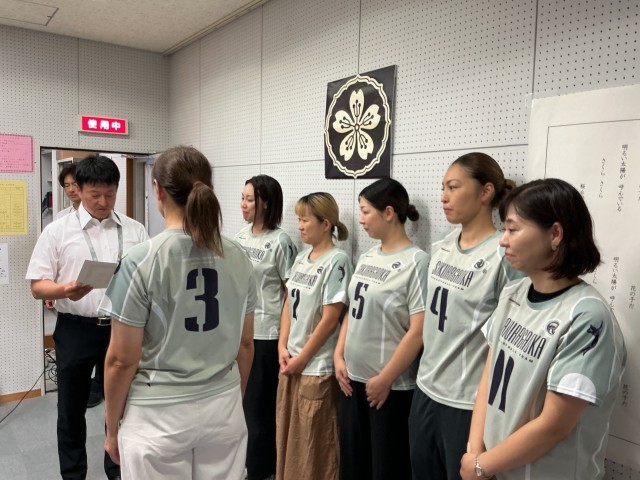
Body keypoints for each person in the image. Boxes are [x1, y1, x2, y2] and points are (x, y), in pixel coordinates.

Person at [100, 146, 256, 480]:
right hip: (224, 406)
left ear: (157, 190)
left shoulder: (141, 261)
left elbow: (121, 361)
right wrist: (232, 398)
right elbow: (245, 345)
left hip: (158, 414)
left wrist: (112, 428)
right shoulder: (239, 256)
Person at [460, 178, 627, 480]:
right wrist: (476, 453)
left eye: (513, 229)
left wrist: (483, 465)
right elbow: (489, 377)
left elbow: (554, 426)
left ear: (555, 234)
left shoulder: (587, 317)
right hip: (494, 468)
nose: (502, 240)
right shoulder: (513, 294)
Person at [26, 154, 148, 480]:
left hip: (122, 328)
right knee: (71, 409)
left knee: (123, 406)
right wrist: (64, 290)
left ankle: (118, 471)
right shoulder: (57, 232)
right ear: (78, 190)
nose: (103, 202)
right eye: (95, 194)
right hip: (76, 329)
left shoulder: (135, 230)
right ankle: (73, 474)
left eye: (110, 194)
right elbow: (37, 286)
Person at [409, 152, 522, 479]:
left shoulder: (503, 255)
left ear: (486, 192)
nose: (443, 197)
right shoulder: (441, 247)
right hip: (425, 389)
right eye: (442, 188)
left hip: (466, 404)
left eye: (454, 187)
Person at [334, 178, 429, 480]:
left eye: (365, 212)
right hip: (352, 382)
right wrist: (338, 355)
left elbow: (418, 330)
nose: (360, 220)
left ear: (388, 213)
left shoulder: (416, 261)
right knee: (353, 467)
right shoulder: (367, 257)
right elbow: (352, 310)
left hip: (389, 389)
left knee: (386, 469)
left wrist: (386, 378)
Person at [276, 192, 353, 480]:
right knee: (289, 441)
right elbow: (288, 303)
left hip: (315, 368)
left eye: (305, 220)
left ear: (325, 223)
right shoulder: (300, 258)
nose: (299, 226)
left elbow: (330, 318)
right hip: (290, 364)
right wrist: (282, 346)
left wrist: (303, 358)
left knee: (313, 447)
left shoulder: (338, 260)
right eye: (298, 219)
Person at [237, 175, 297, 480]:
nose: (244, 204)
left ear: (266, 203)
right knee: (242, 407)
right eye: (243, 198)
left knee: (259, 410)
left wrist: (284, 339)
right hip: (240, 333)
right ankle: (246, 465)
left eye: (250, 199)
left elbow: (292, 293)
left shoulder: (281, 241)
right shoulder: (239, 237)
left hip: (266, 335)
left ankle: (261, 471)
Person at [51, 162, 104, 409]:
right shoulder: (60, 221)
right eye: (67, 185)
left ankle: (99, 386)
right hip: (73, 304)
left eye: (75, 184)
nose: (71, 189)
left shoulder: (111, 221)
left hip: (105, 304)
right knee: (71, 401)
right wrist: (55, 290)